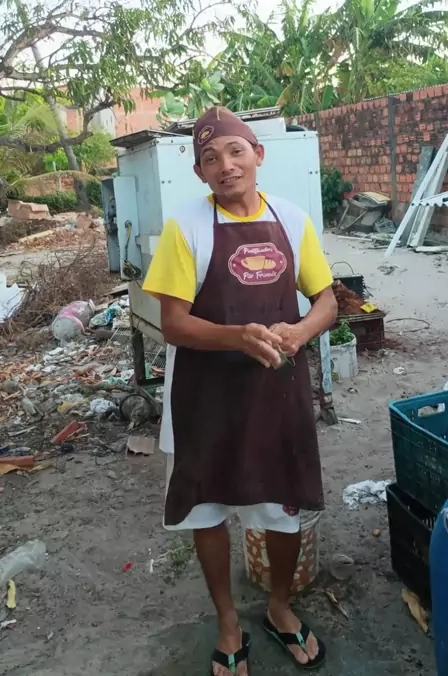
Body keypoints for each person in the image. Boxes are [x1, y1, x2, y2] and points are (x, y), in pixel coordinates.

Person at [143, 107, 337, 675]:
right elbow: (174, 323)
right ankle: (228, 621)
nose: (225, 165)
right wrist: (238, 336)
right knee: (207, 508)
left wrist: (300, 332)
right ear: (199, 173)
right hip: (204, 399)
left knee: (282, 507)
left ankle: (279, 606)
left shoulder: (293, 220)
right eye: (210, 158)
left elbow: (326, 299)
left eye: (235, 151)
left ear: (258, 155)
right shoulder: (185, 228)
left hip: (275, 392)